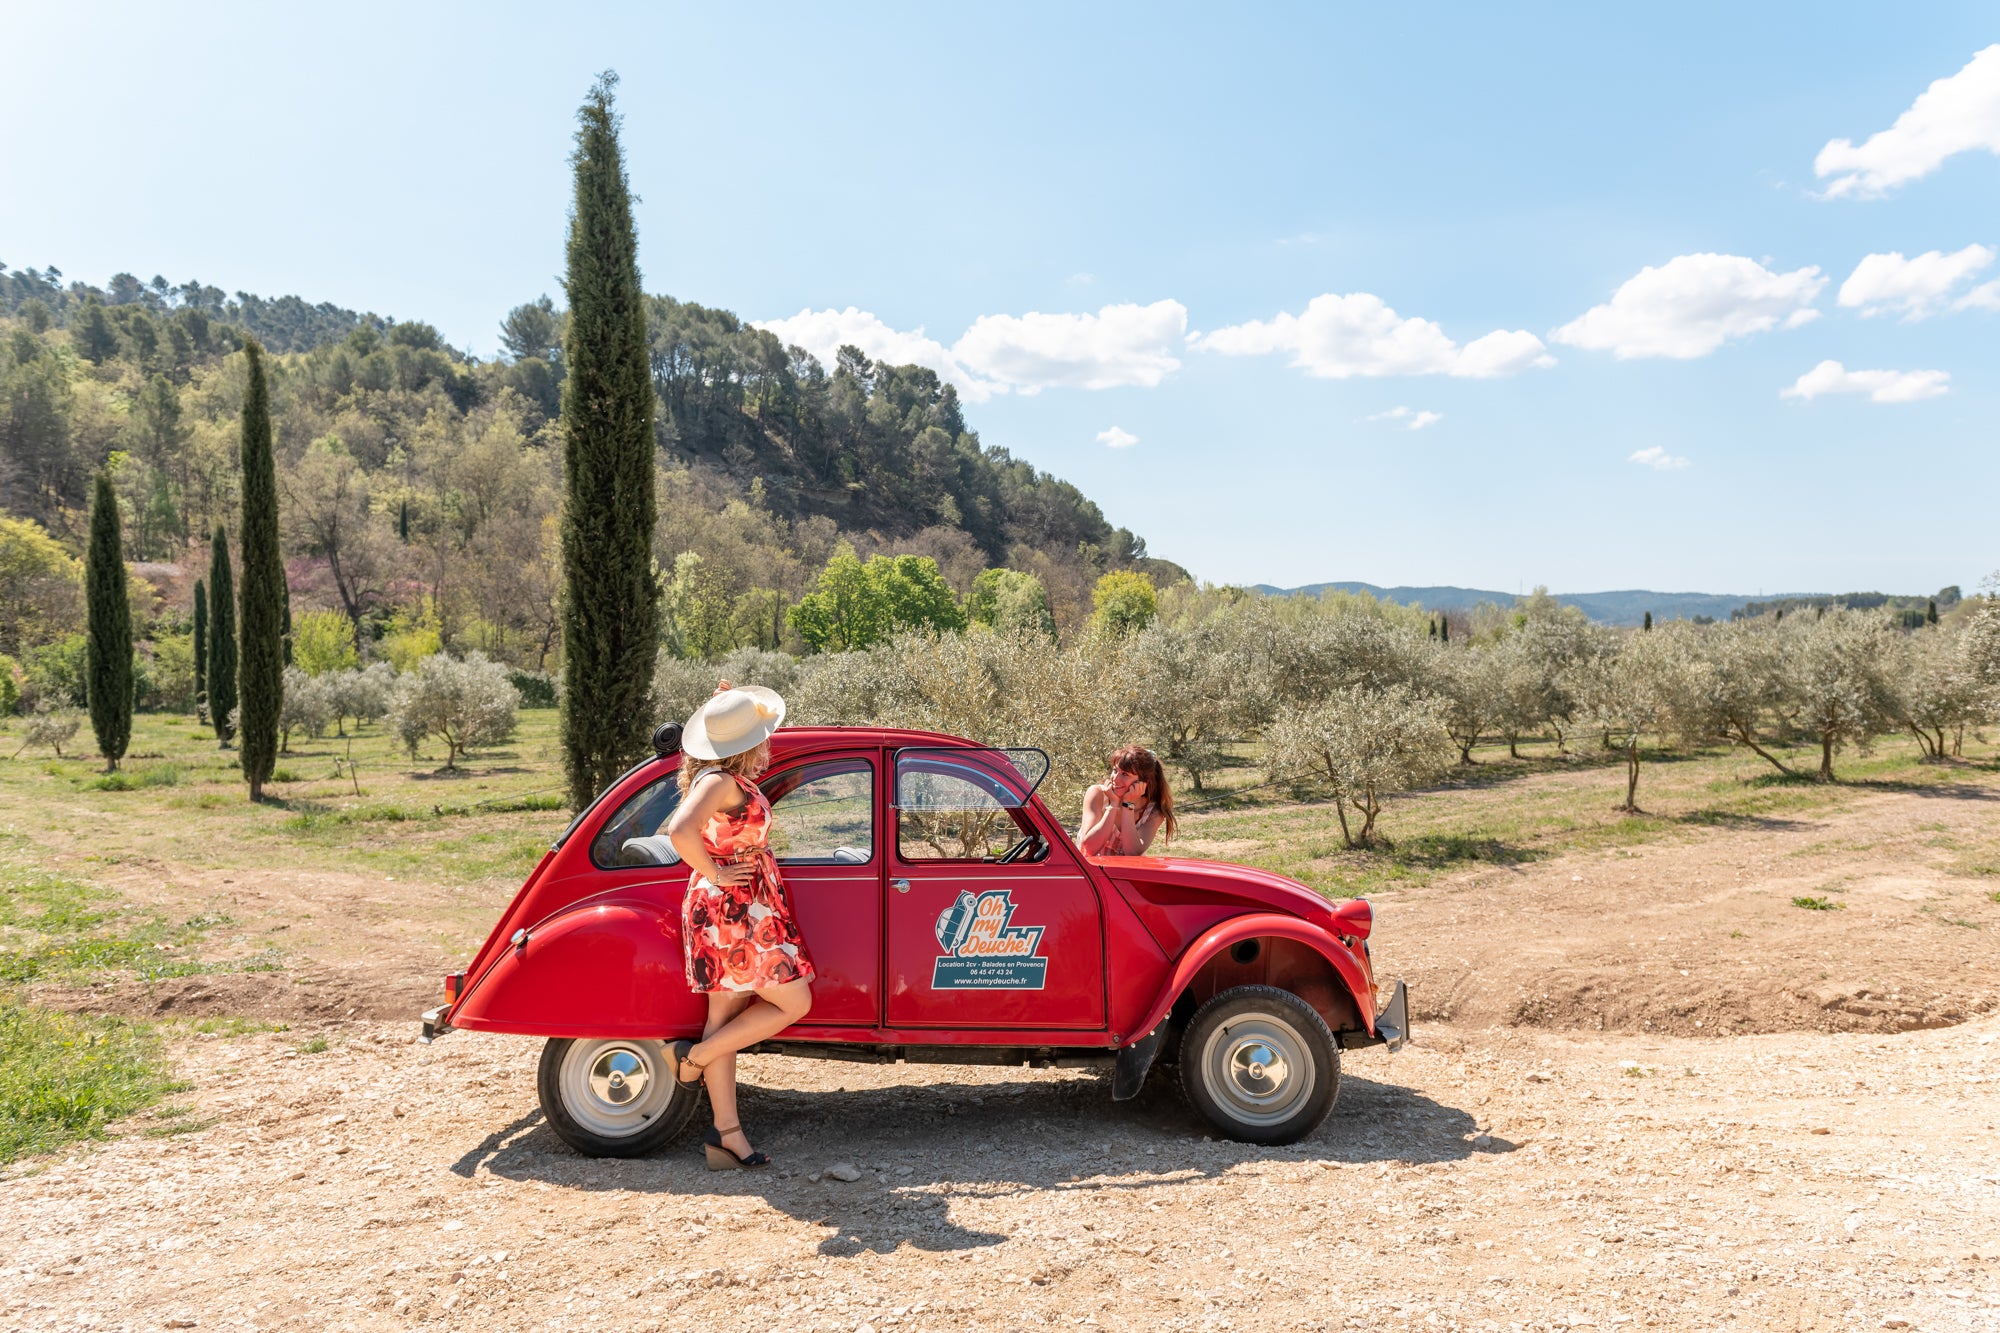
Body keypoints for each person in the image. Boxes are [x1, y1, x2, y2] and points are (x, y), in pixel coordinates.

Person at [665, 681, 814, 1171]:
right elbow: (679, 830)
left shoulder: (726, 779)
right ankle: (695, 1058)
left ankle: (726, 1134)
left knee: (724, 1018)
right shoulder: (719, 782)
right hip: (730, 907)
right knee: (796, 1001)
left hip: (741, 903)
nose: (768, 740)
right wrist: (715, 873)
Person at [1078, 743, 1178, 857]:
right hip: (1091, 871)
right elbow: (1089, 848)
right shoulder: (1097, 794)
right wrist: (1113, 805)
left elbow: (1132, 852)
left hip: (1125, 873)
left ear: (1144, 782)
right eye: (1115, 771)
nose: (1115, 779)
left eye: (1125, 774)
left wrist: (1128, 805)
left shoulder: (1154, 812)